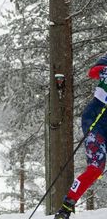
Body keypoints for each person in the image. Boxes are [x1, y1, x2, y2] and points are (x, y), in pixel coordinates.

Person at [54, 53, 107, 219]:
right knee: (96, 167)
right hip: (96, 120)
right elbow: (92, 72)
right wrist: (104, 71)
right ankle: (66, 208)